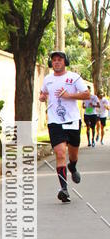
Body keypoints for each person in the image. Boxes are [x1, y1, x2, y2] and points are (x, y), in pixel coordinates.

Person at [39, 52, 90, 202]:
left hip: (73, 121)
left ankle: (72, 166)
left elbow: (86, 95)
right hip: (55, 122)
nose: (56, 62)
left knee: (73, 154)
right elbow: (43, 94)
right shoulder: (47, 79)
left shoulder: (74, 77)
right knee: (60, 153)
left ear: (65, 61)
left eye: (59, 60)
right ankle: (64, 189)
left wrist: (69, 96)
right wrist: (42, 97)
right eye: (54, 60)